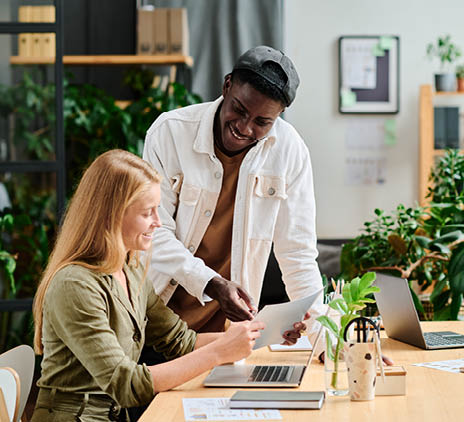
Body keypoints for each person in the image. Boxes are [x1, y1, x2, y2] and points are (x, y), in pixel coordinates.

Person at [31, 149, 264, 422]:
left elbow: (180, 342)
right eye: (147, 212)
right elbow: (126, 384)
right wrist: (219, 352)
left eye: (157, 209)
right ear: (111, 216)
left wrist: (256, 335)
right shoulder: (74, 285)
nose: (158, 222)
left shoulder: (131, 268)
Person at [143, 45, 324, 344]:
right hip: (159, 328)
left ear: (278, 117)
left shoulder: (290, 150)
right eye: (239, 110)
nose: (243, 127)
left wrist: (329, 345)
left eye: (261, 122)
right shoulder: (170, 133)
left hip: (229, 339)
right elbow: (154, 234)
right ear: (227, 85)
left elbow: (298, 254)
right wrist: (212, 284)